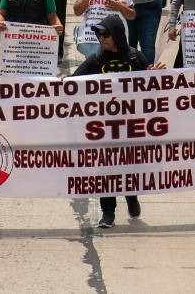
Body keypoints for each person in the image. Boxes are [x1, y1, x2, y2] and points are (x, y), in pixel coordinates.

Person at [74, 14, 149, 228]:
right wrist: (63, 82)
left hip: (131, 125)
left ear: (117, 34)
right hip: (104, 126)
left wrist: (157, 74)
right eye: (98, 34)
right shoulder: (96, 60)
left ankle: (131, 196)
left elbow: (152, 86)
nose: (101, 38)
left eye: (105, 33)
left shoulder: (136, 58)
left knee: (128, 166)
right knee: (106, 168)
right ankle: (108, 213)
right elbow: (74, 81)